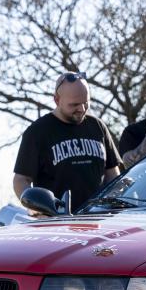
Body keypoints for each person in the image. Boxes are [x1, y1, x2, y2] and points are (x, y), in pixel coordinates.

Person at [13, 71, 121, 212]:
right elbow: (20, 181)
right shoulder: (37, 132)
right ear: (57, 100)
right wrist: (37, 208)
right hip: (58, 223)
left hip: (99, 218)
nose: (82, 109)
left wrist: (115, 200)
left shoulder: (98, 127)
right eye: (74, 105)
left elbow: (113, 174)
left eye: (86, 102)